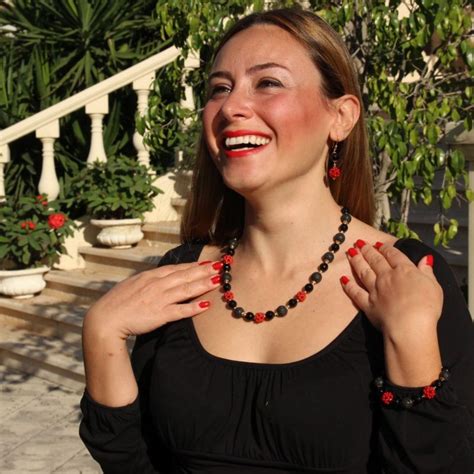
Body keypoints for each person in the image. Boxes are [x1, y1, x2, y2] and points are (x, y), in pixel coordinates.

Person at [79, 7, 474, 473]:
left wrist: (412, 343)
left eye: (268, 83)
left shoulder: (406, 277)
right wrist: (101, 332)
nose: (230, 107)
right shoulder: (180, 274)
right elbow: (133, 461)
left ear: (341, 117)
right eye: (219, 89)